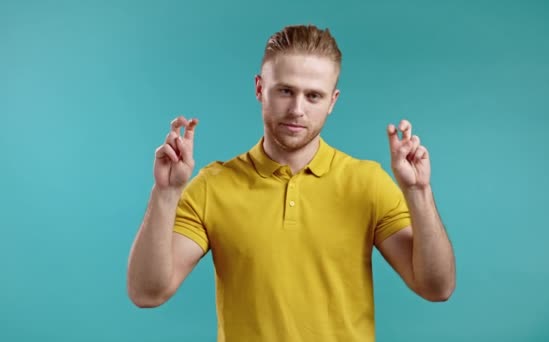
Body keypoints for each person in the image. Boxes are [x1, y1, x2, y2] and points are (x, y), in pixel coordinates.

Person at [127, 24, 455, 341]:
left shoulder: (367, 183)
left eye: (313, 96)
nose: (297, 109)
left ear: (332, 101)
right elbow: (147, 292)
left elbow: (436, 287)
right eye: (285, 91)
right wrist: (166, 193)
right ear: (259, 88)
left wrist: (418, 192)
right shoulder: (214, 185)